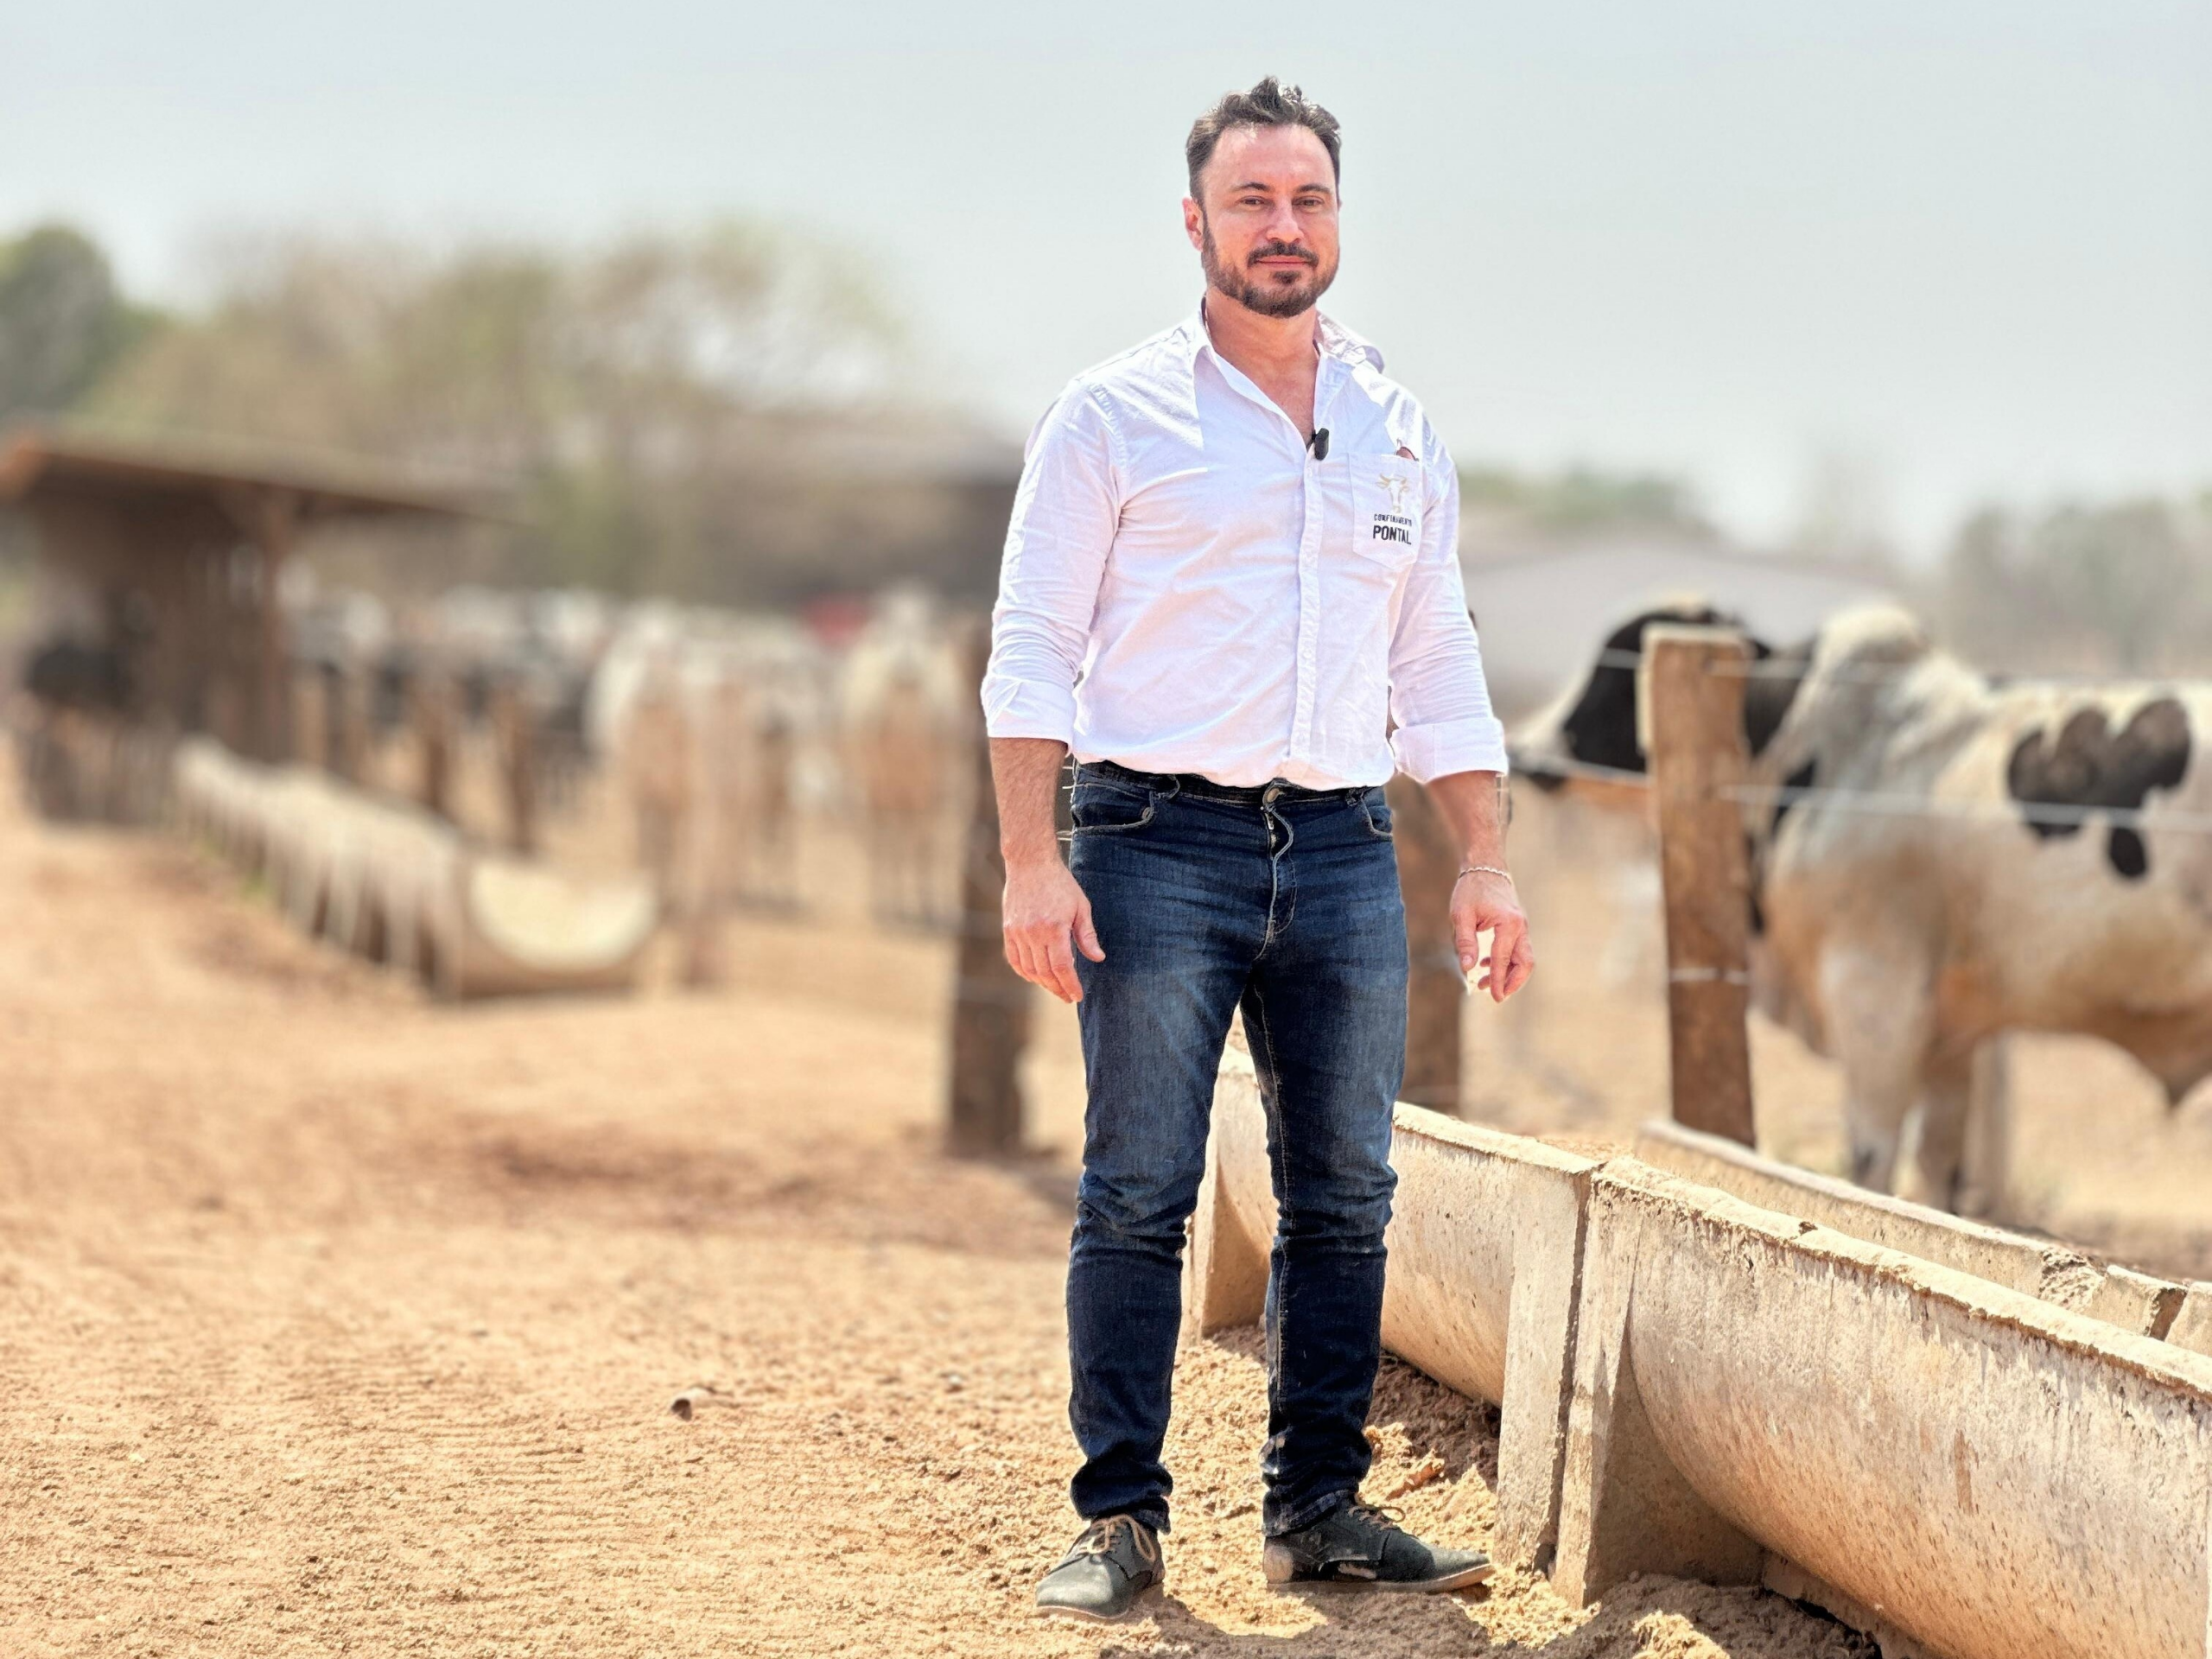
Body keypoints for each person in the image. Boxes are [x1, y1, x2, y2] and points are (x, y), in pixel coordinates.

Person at [982, 77, 1535, 1624]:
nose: (1282, 229)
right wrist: (1035, 861)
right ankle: (1120, 1520)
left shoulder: (1394, 426)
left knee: (1349, 1188)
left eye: (1308, 202)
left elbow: (1436, 660)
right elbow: (1030, 649)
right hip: (1154, 840)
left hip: (1351, 848)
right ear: (1195, 223)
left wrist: (1481, 856)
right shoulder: (1110, 417)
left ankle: (1319, 1507)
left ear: (1337, 221)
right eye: (1251, 203)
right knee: (1139, 1187)